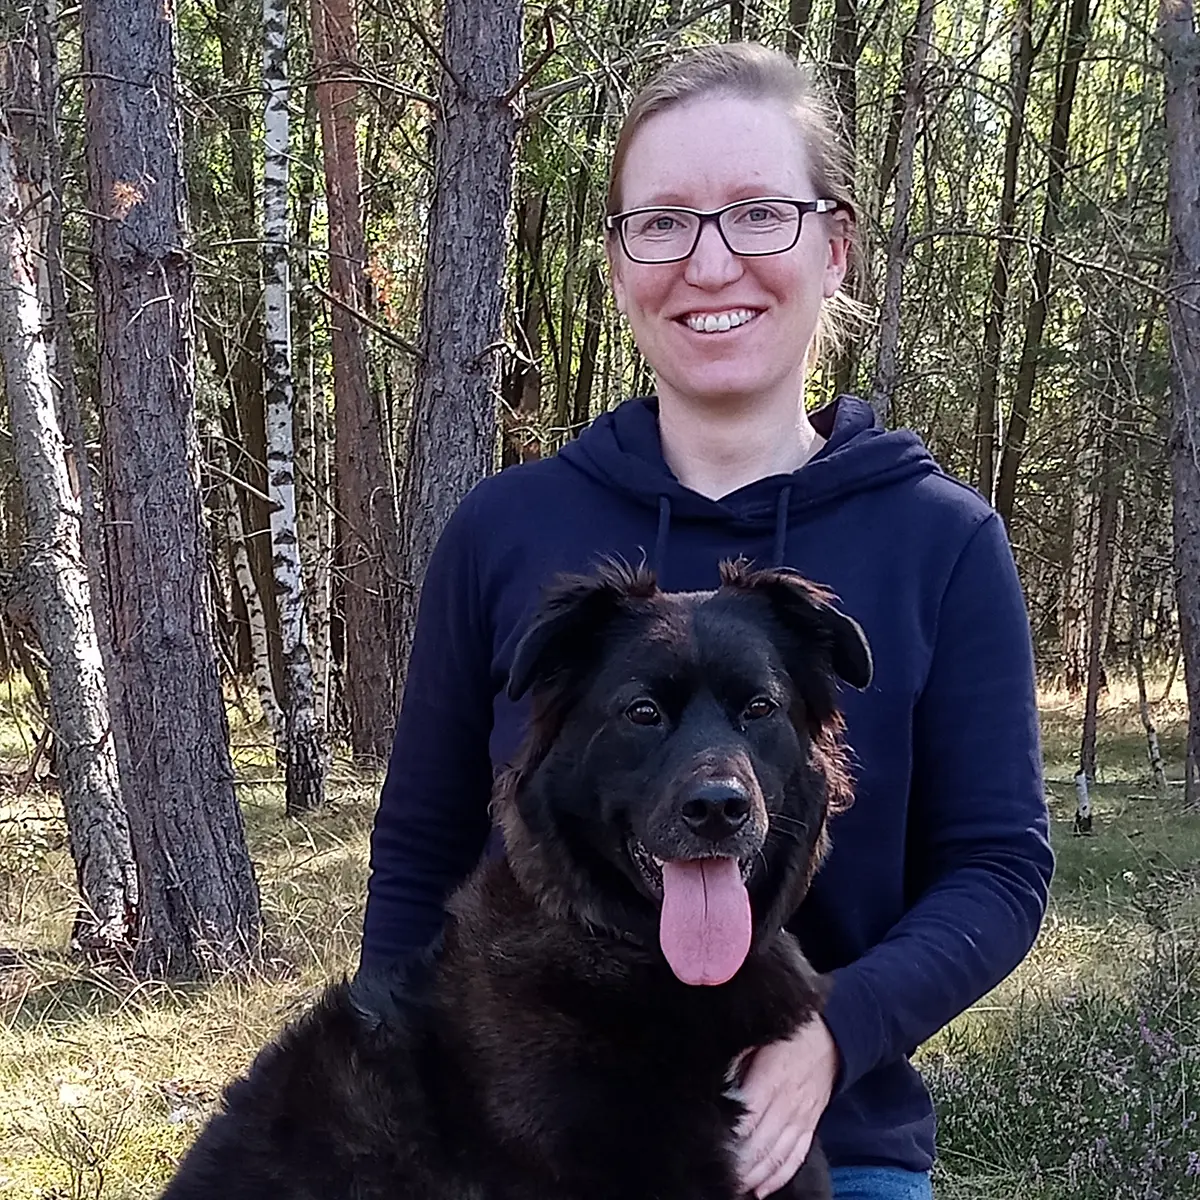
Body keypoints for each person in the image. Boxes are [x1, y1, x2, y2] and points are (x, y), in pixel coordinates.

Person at [360, 41, 1053, 1200]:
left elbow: (997, 867)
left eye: (756, 213)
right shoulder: (505, 532)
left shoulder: (942, 543)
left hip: (828, 1138)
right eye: (664, 221)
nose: (710, 260)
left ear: (833, 247)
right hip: (526, 1143)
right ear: (622, 263)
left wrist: (830, 1036)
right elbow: (422, 852)